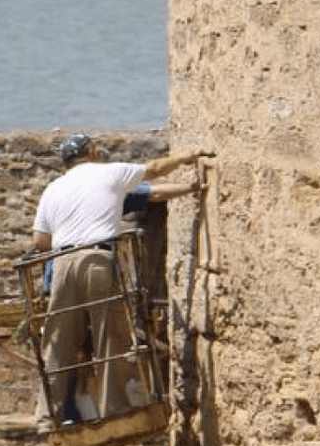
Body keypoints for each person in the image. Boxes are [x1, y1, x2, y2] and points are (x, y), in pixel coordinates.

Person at [32, 133, 206, 424]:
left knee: (59, 340)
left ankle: (47, 416)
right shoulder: (109, 173)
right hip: (98, 260)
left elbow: (39, 240)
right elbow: (153, 171)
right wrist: (187, 160)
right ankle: (115, 411)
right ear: (92, 151)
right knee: (110, 335)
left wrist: (71, 240)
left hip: (61, 266)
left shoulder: (53, 188)